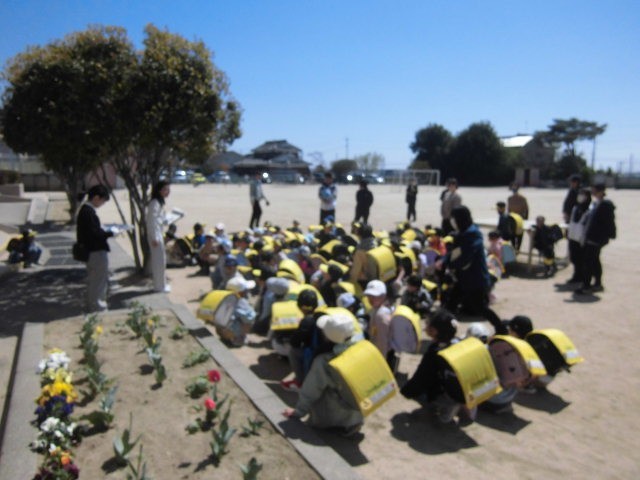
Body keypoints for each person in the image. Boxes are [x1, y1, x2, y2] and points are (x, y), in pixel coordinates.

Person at [283, 313, 364, 437]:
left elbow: (311, 390)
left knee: (320, 389)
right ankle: (352, 422)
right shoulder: (361, 349)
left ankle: (334, 424)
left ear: (327, 336)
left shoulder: (325, 361)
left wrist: (298, 411)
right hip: (358, 412)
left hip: (333, 415)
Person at [436, 206, 506, 335]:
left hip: (475, 279)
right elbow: (454, 252)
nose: (452, 221)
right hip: (463, 278)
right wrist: (444, 261)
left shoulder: (473, 235)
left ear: (460, 219)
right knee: (451, 305)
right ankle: (444, 332)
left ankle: (501, 328)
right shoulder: (462, 233)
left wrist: (449, 264)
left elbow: (464, 256)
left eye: (454, 218)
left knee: (480, 308)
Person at [400, 308, 461, 423]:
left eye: (428, 324)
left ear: (434, 331)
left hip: (449, 392)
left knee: (422, 393)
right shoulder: (458, 343)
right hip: (464, 389)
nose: (425, 327)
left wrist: (407, 391)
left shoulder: (434, 352)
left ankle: (446, 406)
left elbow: (422, 376)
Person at [76, 185, 116, 312]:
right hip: (95, 251)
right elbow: (94, 234)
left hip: (91, 251)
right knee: (99, 280)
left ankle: (94, 304)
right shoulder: (88, 212)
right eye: (103, 201)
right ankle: (97, 306)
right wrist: (110, 233)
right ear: (96, 198)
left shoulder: (86, 210)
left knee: (95, 280)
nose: (102, 204)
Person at [575, 183, 616, 294]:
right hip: (591, 237)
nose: (592, 192)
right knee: (594, 261)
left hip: (596, 239)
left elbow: (606, 223)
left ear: (601, 191)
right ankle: (597, 283)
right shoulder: (596, 204)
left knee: (588, 262)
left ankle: (586, 285)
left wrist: (602, 237)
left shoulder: (605, 205)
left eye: (594, 190)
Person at [215, 276, 257, 347]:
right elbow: (250, 318)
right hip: (230, 331)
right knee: (249, 322)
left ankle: (227, 337)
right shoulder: (240, 301)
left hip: (220, 329)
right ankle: (237, 339)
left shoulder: (223, 297)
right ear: (241, 292)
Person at [146, 180, 171, 293]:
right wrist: (155, 237)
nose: (168, 192)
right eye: (165, 189)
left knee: (161, 260)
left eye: (168, 189)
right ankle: (159, 286)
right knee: (158, 262)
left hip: (158, 233)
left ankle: (161, 284)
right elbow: (151, 221)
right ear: (159, 190)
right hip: (155, 236)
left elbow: (159, 219)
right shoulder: (154, 203)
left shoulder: (159, 202)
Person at [363, 280, 394, 366]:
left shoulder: (381, 315)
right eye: (369, 296)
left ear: (383, 296)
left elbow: (382, 342)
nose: (371, 299)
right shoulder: (377, 309)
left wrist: (381, 362)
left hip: (382, 354)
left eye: (375, 296)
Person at [566, 188, 591, 283]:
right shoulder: (576, 207)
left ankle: (582, 276)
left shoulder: (589, 209)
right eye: (580, 194)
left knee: (581, 258)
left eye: (583, 195)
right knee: (574, 257)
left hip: (582, 238)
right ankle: (577, 275)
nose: (580, 197)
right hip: (573, 235)